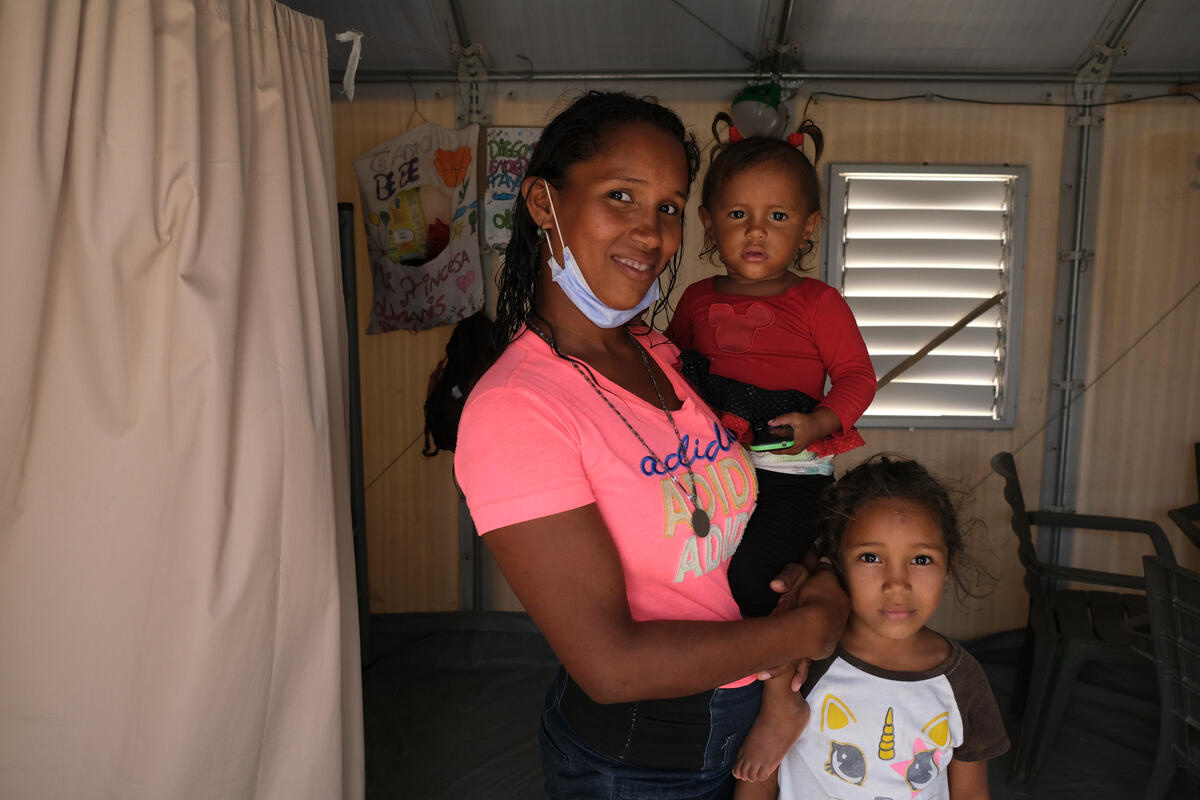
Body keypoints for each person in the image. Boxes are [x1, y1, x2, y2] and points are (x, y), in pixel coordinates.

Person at [453, 91, 849, 800]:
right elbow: (611, 665)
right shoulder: (516, 409)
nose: (650, 232)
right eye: (622, 196)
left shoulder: (661, 353)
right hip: (637, 761)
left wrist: (809, 568)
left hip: (741, 724)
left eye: (667, 206)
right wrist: (810, 630)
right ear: (544, 203)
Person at [665, 123, 876, 779]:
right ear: (707, 221)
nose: (756, 232)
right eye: (738, 215)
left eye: (777, 216)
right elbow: (673, 370)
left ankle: (779, 700)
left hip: (788, 476)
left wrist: (817, 424)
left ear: (808, 226)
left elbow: (857, 380)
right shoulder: (697, 299)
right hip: (710, 474)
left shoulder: (818, 301)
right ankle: (718, 691)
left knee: (760, 582)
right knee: (697, 579)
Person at [738, 455, 1009, 800]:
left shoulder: (963, 680)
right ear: (836, 564)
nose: (897, 584)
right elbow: (759, 776)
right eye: (871, 557)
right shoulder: (804, 663)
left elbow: (970, 793)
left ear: (948, 568)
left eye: (921, 560)